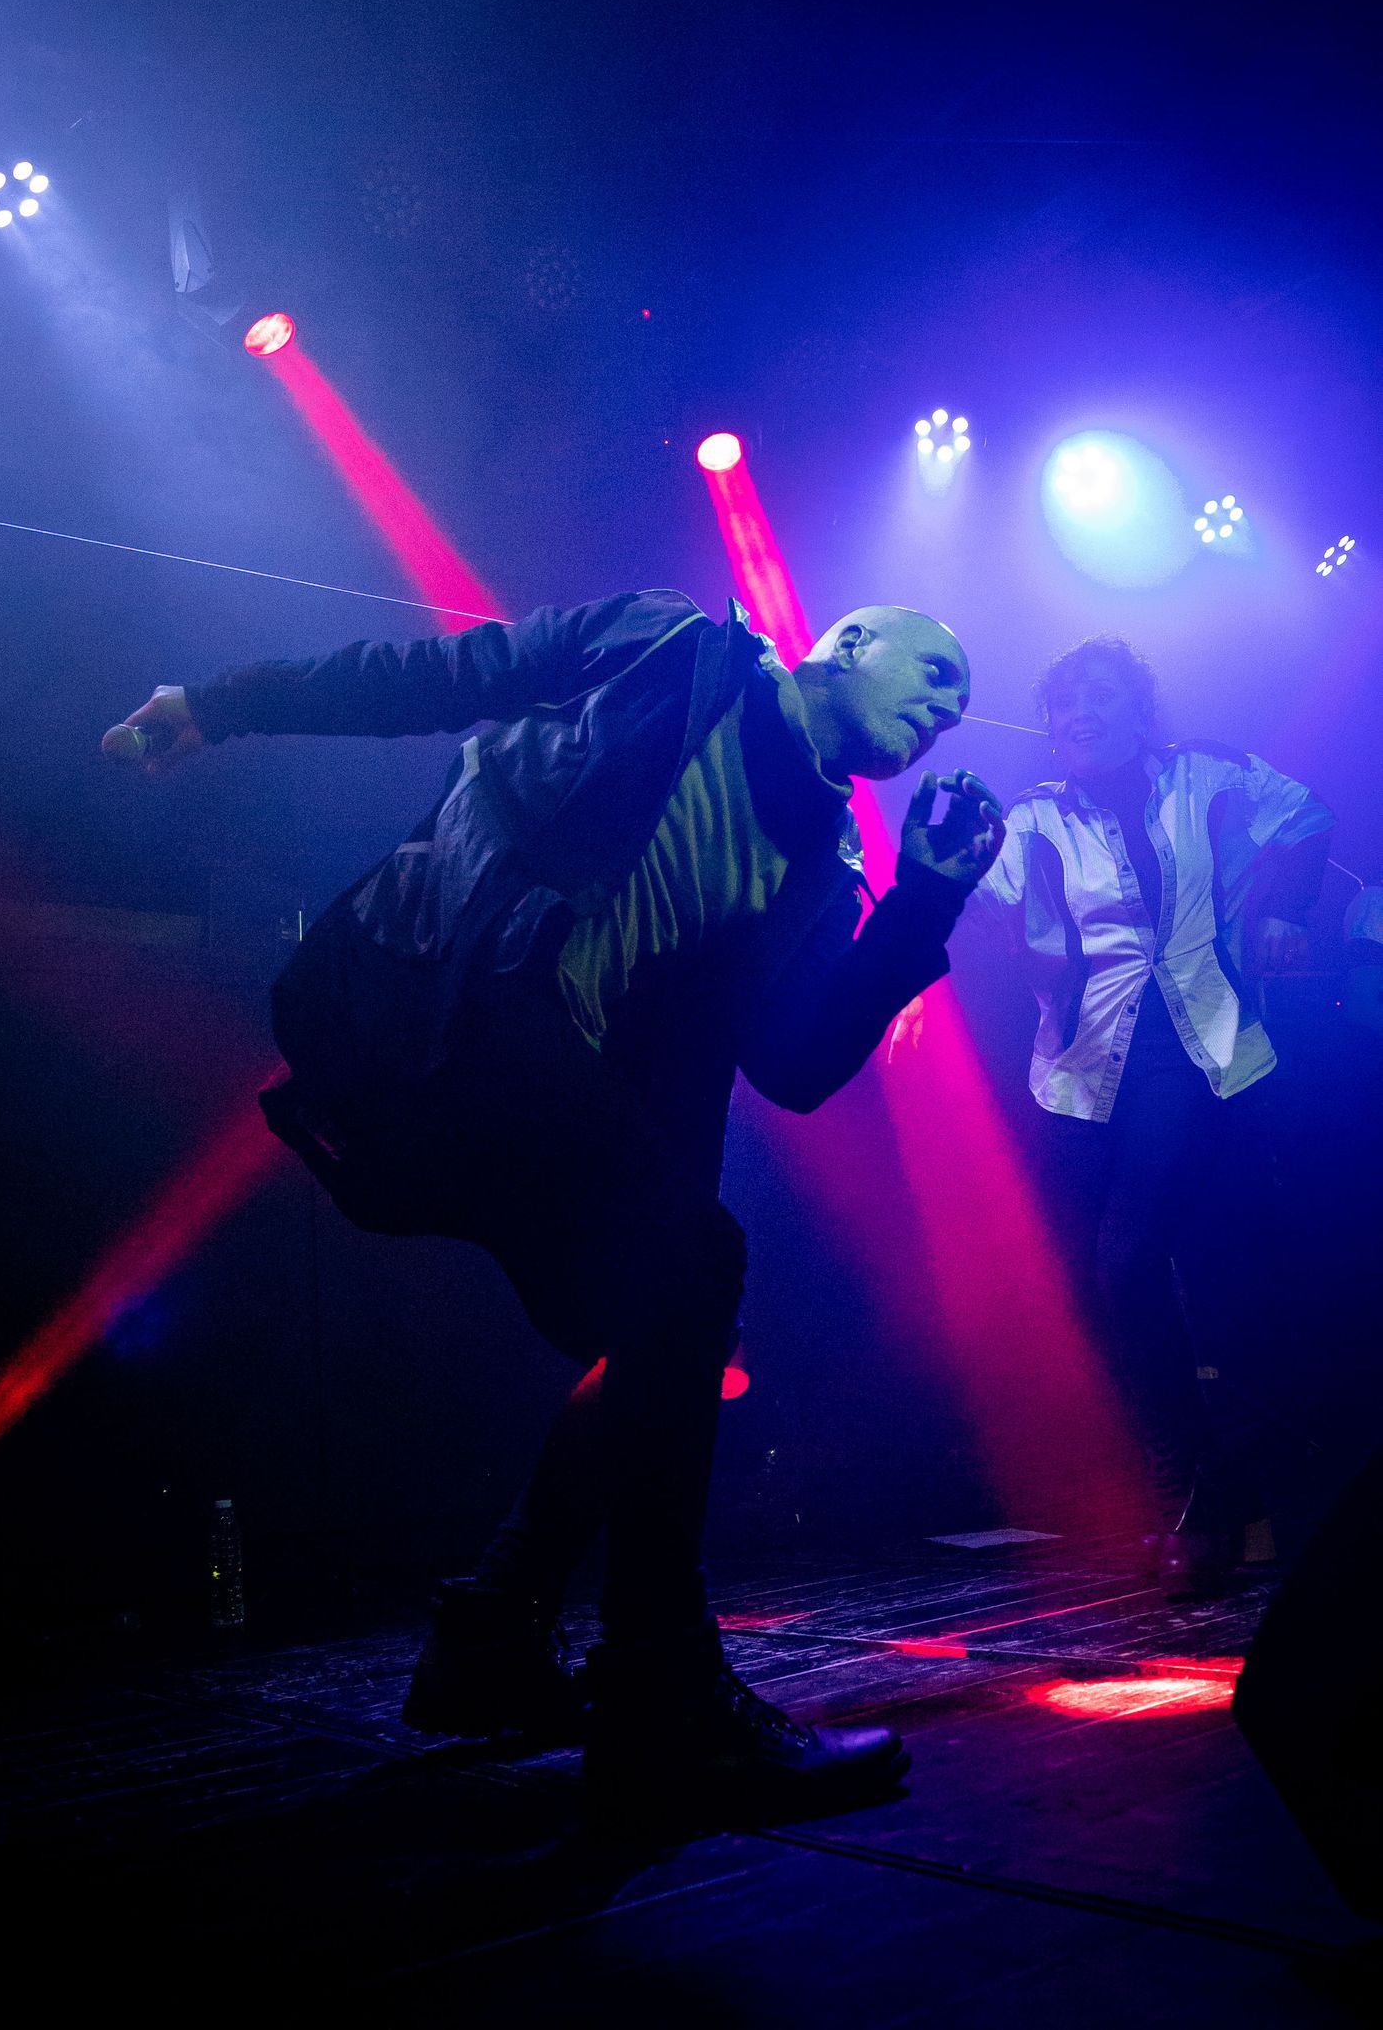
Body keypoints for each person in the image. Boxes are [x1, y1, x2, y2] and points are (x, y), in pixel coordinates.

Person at [116, 587, 1003, 1822]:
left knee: (670, 1325)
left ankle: (495, 1630)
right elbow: (434, 676)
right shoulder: (667, 649)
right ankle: (660, 1691)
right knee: (687, 1276)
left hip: (531, 1088)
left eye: (961, 708)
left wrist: (928, 902)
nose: (948, 710)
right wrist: (222, 706)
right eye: (934, 670)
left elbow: (793, 1070)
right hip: (426, 1008)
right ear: (844, 645)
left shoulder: (822, 857)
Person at [972, 634, 1332, 1589]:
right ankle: (1228, 1485)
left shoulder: (1207, 776)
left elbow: (1306, 815)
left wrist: (1281, 912)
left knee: (1139, 1263)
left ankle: (1199, 1484)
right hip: (1083, 1073)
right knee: (1121, 1284)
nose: (1076, 715)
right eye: (1061, 706)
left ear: (1139, 709)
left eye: (1096, 696)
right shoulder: (1033, 819)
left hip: (1204, 1052)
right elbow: (974, 895)